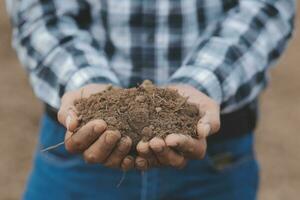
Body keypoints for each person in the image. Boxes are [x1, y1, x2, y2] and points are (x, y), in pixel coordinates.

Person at [6, 0, 295, 199]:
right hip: (80, 140)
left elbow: (267, 7)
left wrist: (199, 86)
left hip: (215, 151)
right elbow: (39, 11)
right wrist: (86, 87)